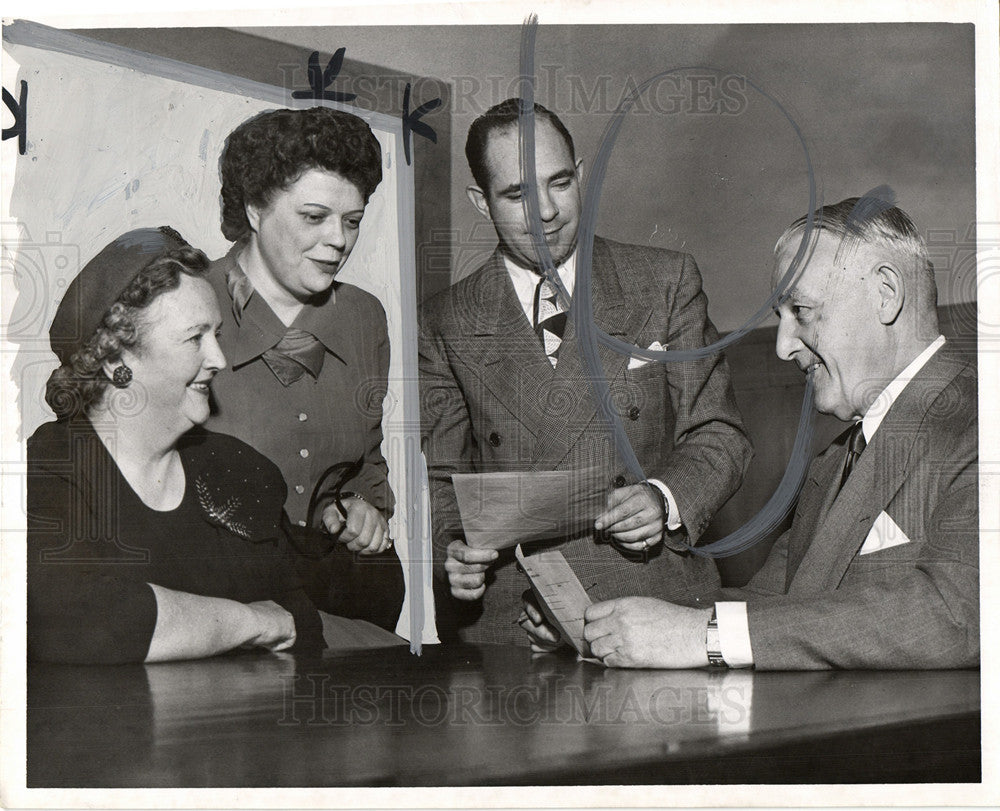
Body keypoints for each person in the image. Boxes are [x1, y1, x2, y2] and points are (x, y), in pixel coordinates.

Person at [579, 197, 978, 670]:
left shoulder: (980, 424)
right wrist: (602, 622)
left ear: (886, 293)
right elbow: (769, 603)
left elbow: (958, 613)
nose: (783, 346)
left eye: (802, 312)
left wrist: (699, 637)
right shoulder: (835, 459)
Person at [420, 99, 753, 645]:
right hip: (513, 620)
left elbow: (720, 434)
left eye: (559, 183)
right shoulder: (446, 320)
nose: (546, 211)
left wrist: (663, 498)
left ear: (581, 176)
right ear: (481, 202)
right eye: (517, 195)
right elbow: (439, 482)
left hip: (656, 604)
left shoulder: (663, 282)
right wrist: (449, 551)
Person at [29, 227, 324, 664]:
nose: (219, 360)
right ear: (116, 361)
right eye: (195, 338)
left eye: (217, 335)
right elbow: (75, 617)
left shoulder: (239, 470)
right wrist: (251, 623)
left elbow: (299, 621)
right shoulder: (48, 468)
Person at [205, 106, 403, 630]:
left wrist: (364, 508)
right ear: (253, 208)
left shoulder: (363, 316)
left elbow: (366, 459)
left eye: (353, 220)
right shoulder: (186, 306)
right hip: (224, 607)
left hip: (343, 601)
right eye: (314, 217)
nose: (339, 240)